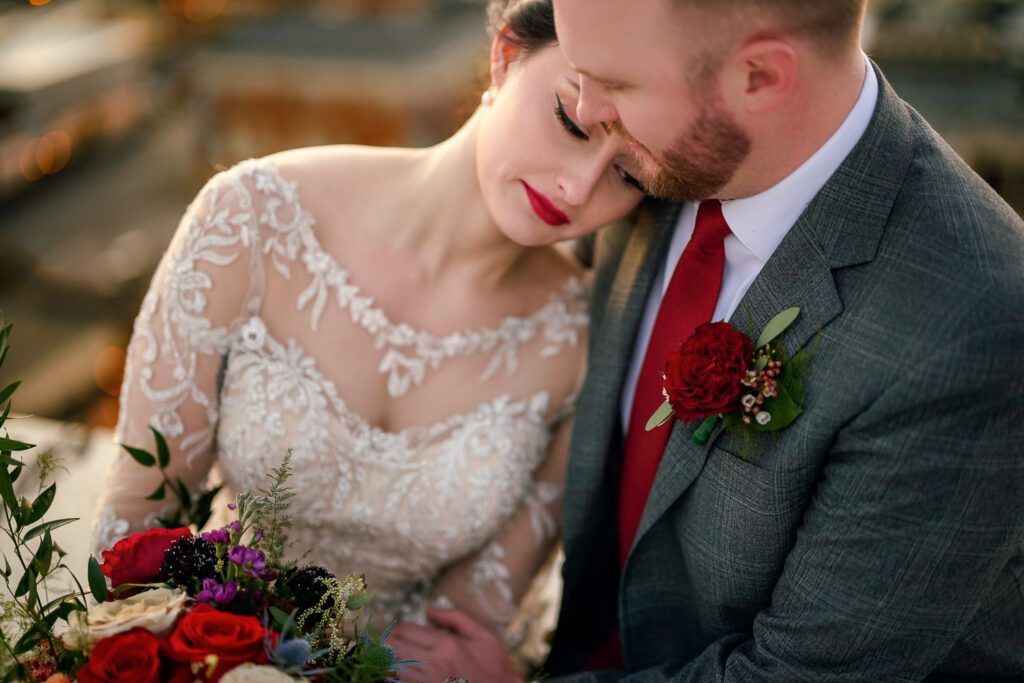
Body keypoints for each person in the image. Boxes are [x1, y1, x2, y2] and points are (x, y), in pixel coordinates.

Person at [392, 0, 1024, 680]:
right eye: (576, 71)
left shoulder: (967, 324)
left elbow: (801, 673)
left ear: (757, 77)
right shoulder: (640, 164)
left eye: (618, 84)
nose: (586, 105)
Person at [92, 0, 644, 673]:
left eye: (629, 175)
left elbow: (466, 625)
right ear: (504, 56)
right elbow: (136, 532)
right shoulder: (250, 219)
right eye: (570, 121)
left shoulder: (583, 342)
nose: (579, 185)